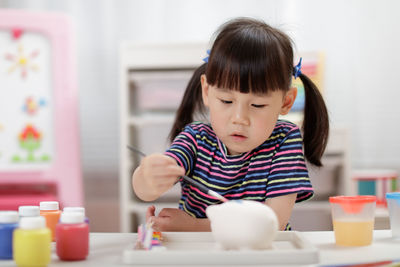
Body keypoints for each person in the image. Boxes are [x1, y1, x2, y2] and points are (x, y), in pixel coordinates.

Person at [132, 17, 329, 231]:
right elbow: (144, 190)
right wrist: (147, 176)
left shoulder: (284, 141)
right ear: (207, 91)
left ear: (286, 101)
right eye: (226, 101)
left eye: (257, 105)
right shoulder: (195, 139)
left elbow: (273, 223)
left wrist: (194, 227)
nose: (239, 118)